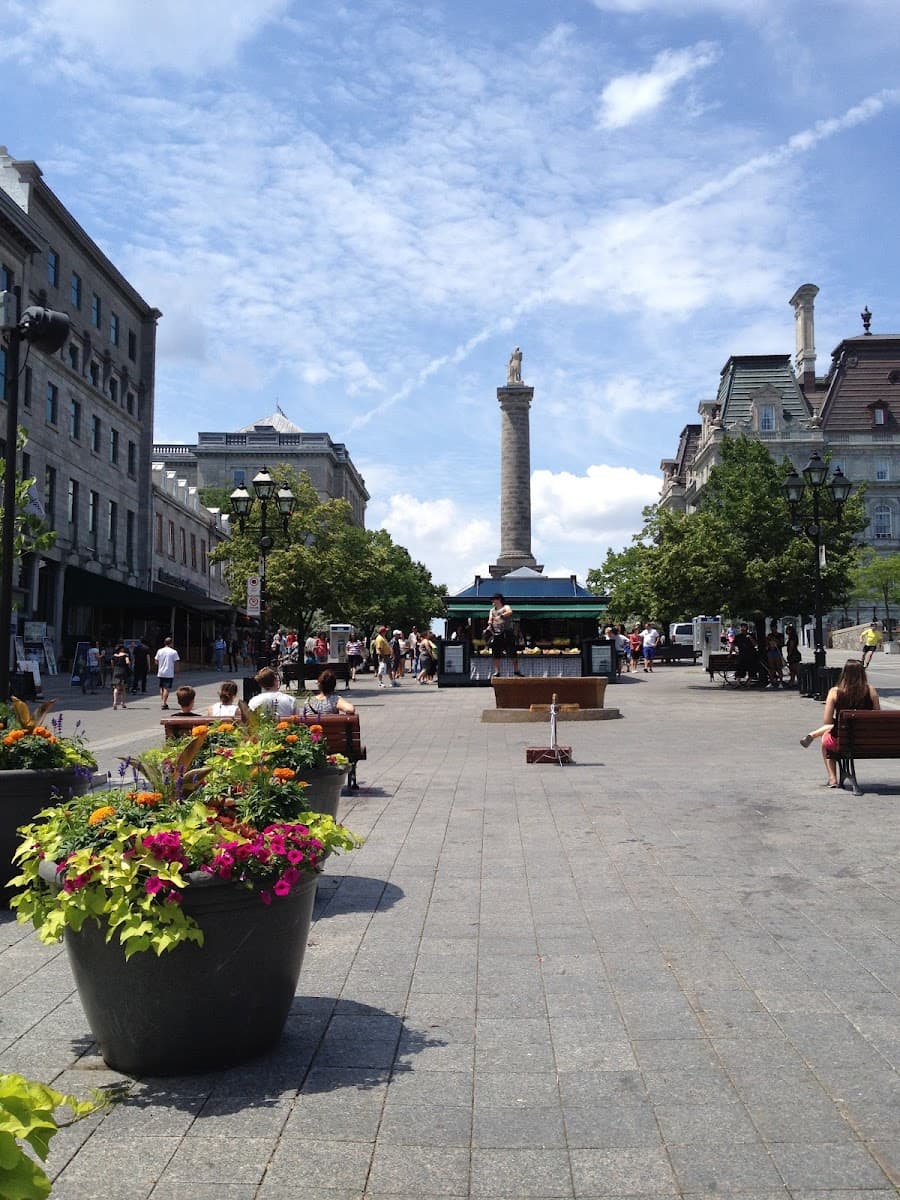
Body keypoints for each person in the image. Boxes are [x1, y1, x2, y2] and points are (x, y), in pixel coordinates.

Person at [800, 659, 880, 787]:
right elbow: (877, 716)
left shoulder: (834, 692)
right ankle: (813, 735)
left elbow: (827, 721)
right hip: (867, 741)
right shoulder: (871, 690)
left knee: (826, 738)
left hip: (842, 741)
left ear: (844, 674)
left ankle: (832, 778)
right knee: (836, 729)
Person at [486, 594, 522, 678]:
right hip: (497, 633)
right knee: (496, 652)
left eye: (493, 599)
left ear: (498, 599)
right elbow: (490, 618)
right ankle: (497, 671)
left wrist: (501, 616)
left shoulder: (506, 607)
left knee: (512, 652)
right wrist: (489, 623)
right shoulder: (492, 610)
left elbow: (510, 612)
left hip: (507, 632)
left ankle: (516, 670)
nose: (492, 602)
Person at [154, 637, 180, 711]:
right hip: (169, 672)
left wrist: (161, 664)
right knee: (166, 688)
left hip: (161, 671)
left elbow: (156, 661)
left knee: (162, 687)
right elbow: (176, 662)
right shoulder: (173, 652)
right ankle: (164, 703)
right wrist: (177, 672)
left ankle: (163, 701)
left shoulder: (159, 651)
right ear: (171, 643)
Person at [110, 643, 131, 710]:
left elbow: (112, 664)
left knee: (116, 688)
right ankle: (123, 703)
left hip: (116, 671)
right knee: (123, 688)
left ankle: (115, 703)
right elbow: (128, 662)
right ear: (121, 649)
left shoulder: (113, 656)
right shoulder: (125, 655)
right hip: (123, 671)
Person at [765, 620, 784, 687]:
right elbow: (767, 644)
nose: (773, 630)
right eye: (772, 628)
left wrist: (775, 640)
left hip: (777, 652)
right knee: (771, 668)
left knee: (779, 667)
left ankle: (781, 682)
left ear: (776, 628)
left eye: (774, 628)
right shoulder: (769, 635)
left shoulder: (780, 635)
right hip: (770, 652)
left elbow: (781, 643)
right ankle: (771, 682)